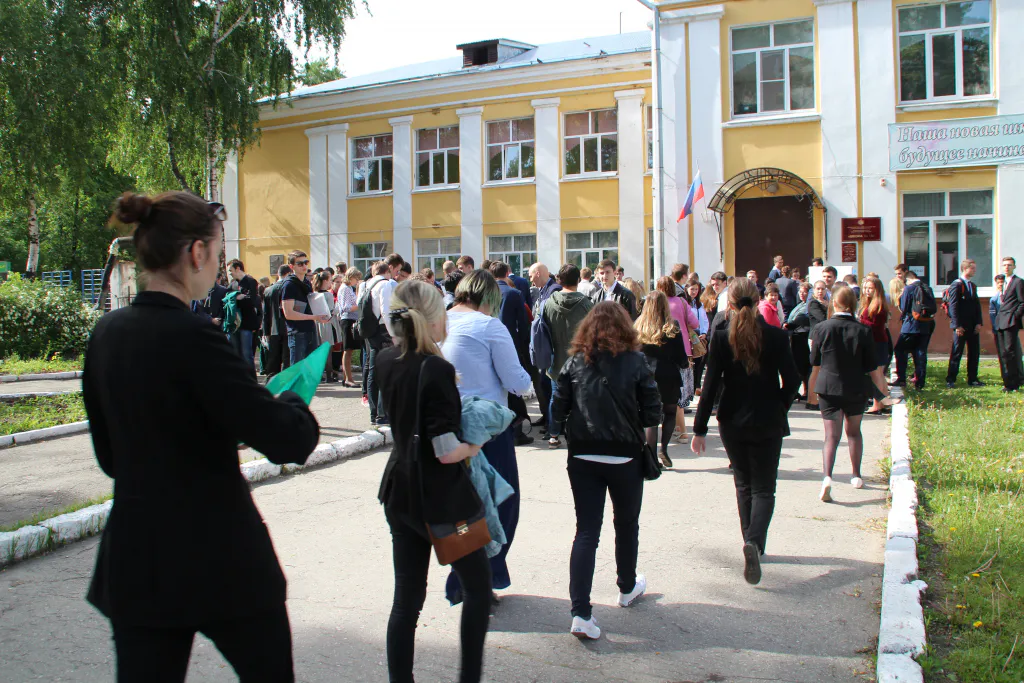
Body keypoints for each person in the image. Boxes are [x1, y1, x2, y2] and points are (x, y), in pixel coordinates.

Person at [84, 191, 320, 682]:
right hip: (218, 556)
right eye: (217, 251)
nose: (217, 265)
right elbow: (289, 440)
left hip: (138, 558)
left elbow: (111, 457)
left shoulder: (106, 333)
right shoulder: (194, 336)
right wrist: (293, 400)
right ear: (196, 252)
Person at [375, 279, 491, 683]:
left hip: (400, 491)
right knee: (478, 589)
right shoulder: (437, 368)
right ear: (432, 319)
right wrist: (476, 443)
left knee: (406, 600)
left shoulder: (384, 359)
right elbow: (446, 450)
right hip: (442, 501)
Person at [550, 301, 661, 640]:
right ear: (626, 327)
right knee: (626, 524)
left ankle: (581, 613)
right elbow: (652, 412)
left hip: (583, 455)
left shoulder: (574, 363)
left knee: (586, 531)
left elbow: (557, 409)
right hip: (625, 456)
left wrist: (568, 426)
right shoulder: (637, 362)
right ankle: (626, 587)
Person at [691, 277, 799, 585]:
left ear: (730, 304)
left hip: (732, 420)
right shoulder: (777, 336)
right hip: (768, 419)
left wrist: (700, 429)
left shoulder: (721, 338)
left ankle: (750, 541)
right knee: (764, 488)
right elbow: (793, 380)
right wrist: (780, 405)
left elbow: (710, 386)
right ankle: (754, 542)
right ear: (759, 299)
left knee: (743, 484)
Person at [442, 270, 532, 605]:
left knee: (461, 510)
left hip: (448, 427)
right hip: (487, 428)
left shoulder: (440, 322)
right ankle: (480, 580)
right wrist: (530, 384)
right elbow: (516, 381)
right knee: (501, 504)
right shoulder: (489, 326)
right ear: (490, 298)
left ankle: (463, 580)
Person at [811, 285, 876, 502]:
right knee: (854, 432)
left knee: (831, 436)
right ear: (854, 304)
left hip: (828, 386)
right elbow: (871, 365)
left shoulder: (821, 328)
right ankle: (856, 475)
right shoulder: (863, 330)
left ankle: (827, 477)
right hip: (855, 387)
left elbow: (814, 360)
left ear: (834, 303)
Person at [541, 264, 593, 449]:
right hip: (581, 361)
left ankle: (553, 435)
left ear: (559, 280)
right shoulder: (587, 304)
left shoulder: (548, 303)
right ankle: (578, 436)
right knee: (580, 400)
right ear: (578, 280)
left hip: (556, 360)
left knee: (556, 399)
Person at [636, 291, 688, 469]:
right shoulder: (672, 326)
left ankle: (651, 455)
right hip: (668, 375)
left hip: (646, 375)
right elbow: (681, 357)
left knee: (651, 417)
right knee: (670, 412)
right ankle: (663, 448)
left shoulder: (639, 326)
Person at [528, 262, 562, 432]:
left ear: (538, 273)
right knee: (543, 384)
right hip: (544, 345)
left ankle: (553, 424)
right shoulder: (543, 290)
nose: (530, 280)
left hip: (551, 347)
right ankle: (547, 418)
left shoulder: (554, 290)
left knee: (549, 386)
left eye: (531, 276)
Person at [859, 276, 899, 414]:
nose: (867, 291)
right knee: (878, 375)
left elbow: (875, 326)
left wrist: (859, 322)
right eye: (865, 288)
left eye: (870, 288)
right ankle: (883, 403)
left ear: (877, 290)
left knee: (876, 375)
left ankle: (877, 404)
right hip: (875, 342)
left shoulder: (878, 305)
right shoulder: (868, 303)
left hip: (877, 342)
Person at [282, 250, 330, 365]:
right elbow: (288, 313)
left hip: (310, 329)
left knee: (310, 368)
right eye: (300, 264)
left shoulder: (307, 283)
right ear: (291, 266)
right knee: (297, 369)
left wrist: (322, 313)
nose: (304, 266)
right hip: (297, 332)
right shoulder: (289, 285)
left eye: (306, 262)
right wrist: (314, 317)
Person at [945, 259, 984, 388]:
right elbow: (953, 306)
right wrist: (957, 325)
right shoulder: (957, 285)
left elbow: (977, 305)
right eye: (972, 268)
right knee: (957, 352)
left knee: (974, 352)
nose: (974, 271)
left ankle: (973, 378)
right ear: (965, 269)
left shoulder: (972, 285)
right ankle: (951, 379)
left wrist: (978, 322)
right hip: (961, 325)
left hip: (972, 325)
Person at [894, 271, 934, 390]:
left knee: (900, 350)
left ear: (907, 279)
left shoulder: (908, 288)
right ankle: (920, 382)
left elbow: (904, 308)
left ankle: (901, 379)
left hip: (910, 326)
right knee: (920, 352)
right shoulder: (928, 288)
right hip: (925, 324)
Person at [995, 256, 1024, 392]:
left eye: (1009, 265)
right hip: (1000, 322)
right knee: (1003, 354)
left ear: (1014, 267)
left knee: (1010, 352)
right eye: (1005, 265)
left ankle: (1014, 383)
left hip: (1010, 322)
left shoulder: (1018, 282)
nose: (1006, 267)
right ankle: (1007, 383)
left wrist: (1015, 316)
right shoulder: (1003, 282)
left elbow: (1022, 302)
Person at [312, 271, 343, 383]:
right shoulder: (328, 295)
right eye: (330, 280)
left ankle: (320, 375)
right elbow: (330, 311)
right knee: (328, 351)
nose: (330, 282)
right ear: (325, 281)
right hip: (328, 324)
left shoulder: (313, 294)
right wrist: (338, 308)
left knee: (319, 351)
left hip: (317, 323)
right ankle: (329, 376)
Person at [261, 264, 292, 378]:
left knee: (273, 359)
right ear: (288, 274)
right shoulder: (288, 287)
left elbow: (265, 313)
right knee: (287, 359)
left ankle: (271, 381)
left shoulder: (268, 290)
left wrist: (265, 332)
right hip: (288, 327)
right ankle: (285, 381)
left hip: (273, 329)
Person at [804, 280, 830, 410]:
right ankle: (812, 400)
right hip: (815, 338)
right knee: (816, 368)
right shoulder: (813, 303)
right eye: (818, 289)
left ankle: (813, 399)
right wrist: (829, 309)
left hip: (822, 338)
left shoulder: (825, 302)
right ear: (814, 290)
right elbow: (822, 319)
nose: (820, 291)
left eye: (822, 289)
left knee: (818, 369)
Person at [784, 282, 813, 400]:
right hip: (795, 336)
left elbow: (802, 320)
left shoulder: (809, 305)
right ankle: (802, 390)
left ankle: (806, 391)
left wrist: (790, 325)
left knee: (803, 366)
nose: (802, 294)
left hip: (803, 337)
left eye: (804, 292)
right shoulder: (800, 304)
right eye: (800, 292)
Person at [338, 267, 362, 388]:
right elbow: (346, 307)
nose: (357, 281)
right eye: (356, 278)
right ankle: (348, 378)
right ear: (351, 277)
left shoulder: (347, 288)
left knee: (349, 350)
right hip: (347, 320)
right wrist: (360, 305)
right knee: (348, 350)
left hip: (350, 319)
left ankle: (347, 378)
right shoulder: (345, 288)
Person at [686, 280, 710, 390]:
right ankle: (690, 386)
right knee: (690, 361)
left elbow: (704, 320)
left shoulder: (700, 304)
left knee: (699, 359)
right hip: (689, 334)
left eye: (696, 289)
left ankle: (697, 385)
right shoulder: (685, 303)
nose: (694, 291)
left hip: (699, 334)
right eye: (692, 289)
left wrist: (704, 332)